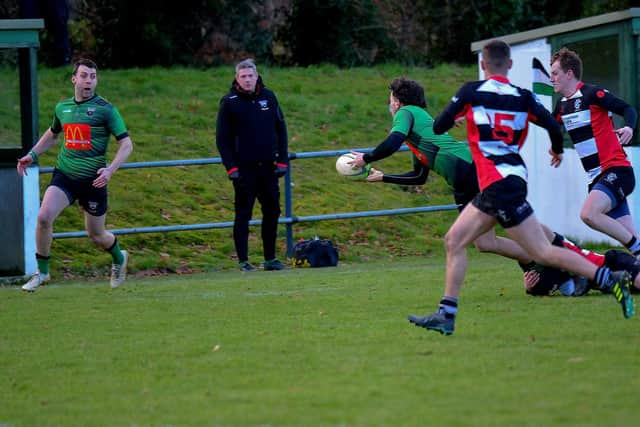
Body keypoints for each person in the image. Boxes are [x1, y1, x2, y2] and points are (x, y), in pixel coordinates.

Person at [406, 40, 634, 335]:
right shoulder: (523, 96)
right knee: (470, 242)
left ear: (484, 65)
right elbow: (554, 127)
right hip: (513, 179)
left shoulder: (470, 93)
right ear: (510, 66)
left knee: (534, 250)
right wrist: (557, 150)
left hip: (495, 182)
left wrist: (459, 116)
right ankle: (446, 315)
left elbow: (437, 128)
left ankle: (607, 278)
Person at [17, 58, 133, 291]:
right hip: (65, 176)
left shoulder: (106, 110)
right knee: (43, 217)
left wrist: (110, 170)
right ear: (74, 79)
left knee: (97, 236)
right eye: (84, 76)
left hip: (94, 181)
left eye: (92, 76)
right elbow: (52, 134)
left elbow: (127, 145)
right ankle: (43, 273)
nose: (88, 80)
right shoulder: (63, 108)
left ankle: (119, 258)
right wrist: (33, 153)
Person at [550, 47, 640, 255]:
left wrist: (628, 127)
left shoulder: (592, 94)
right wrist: (556, 150)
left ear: (569, 73)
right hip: (597, 178)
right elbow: (553, 128)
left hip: (617, 171)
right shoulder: (561, 106)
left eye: (555, 73)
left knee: (588, 214)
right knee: (633, 239)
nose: (551, 78)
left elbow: (628, 109)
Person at [216, 59, 289, 272]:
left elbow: (281, 130)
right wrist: (232, 168)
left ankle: (270, 259)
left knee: (273, 211)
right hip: (244, 170)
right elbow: (222, 139)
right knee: (243, 214)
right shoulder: (229, 102)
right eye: (243, 76)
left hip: (268, 167)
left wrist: (282, 161)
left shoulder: (269, 97)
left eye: (251, 76)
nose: (247, 80)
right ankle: (243, 261)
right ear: (237, 79)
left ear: (257, 76)